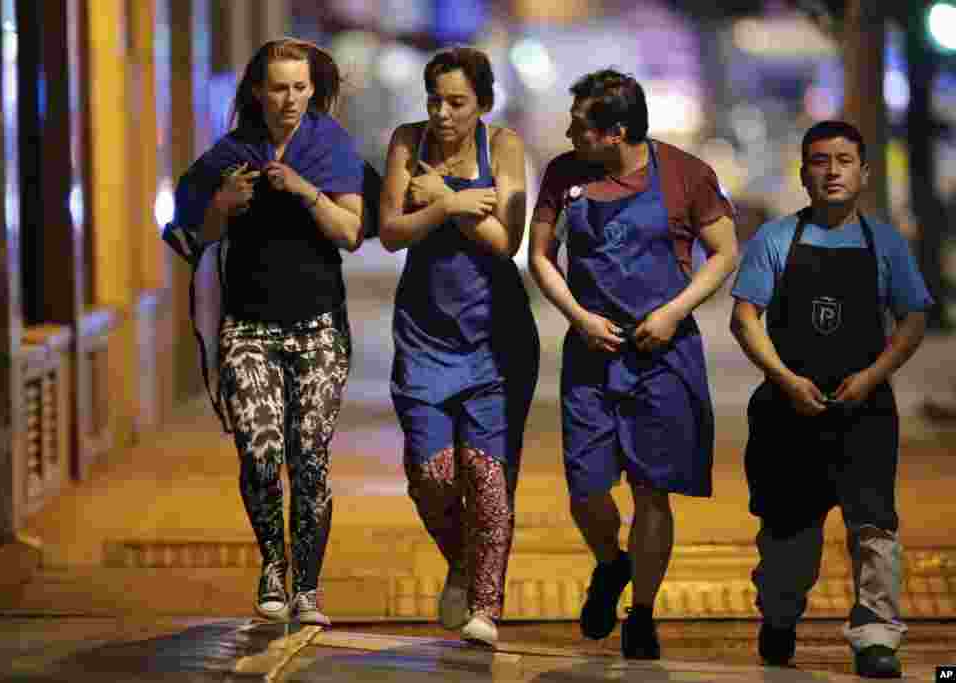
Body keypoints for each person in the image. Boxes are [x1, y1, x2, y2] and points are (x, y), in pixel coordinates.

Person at [528, 69, 738, 658]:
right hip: (591, 353)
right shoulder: (563, 174)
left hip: (661, 355)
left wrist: (674, 312)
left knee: (652, 491)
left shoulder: (686, 175)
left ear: (616, 132)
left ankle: (642, 612)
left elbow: (725, 253)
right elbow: (540, 256)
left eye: (580, 123)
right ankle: (610, 562)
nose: (569, 131)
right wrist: (578, 317)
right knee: (586, 490)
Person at [164, 38, 366, 627]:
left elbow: (351, 232)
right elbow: (187, 237)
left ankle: (308, 586)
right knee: (260, 452)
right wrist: (221, 206)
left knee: (309, 459)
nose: (291, 99)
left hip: (319, 327)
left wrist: (304, 191)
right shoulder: (229, 153)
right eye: (280, 87)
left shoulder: (331, 146)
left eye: (301, 87)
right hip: (248, 326)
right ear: (258, 90)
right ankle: (272, 567)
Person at [730, 121, 934, 678]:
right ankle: (778, 618)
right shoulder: (775, 239)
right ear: (803, 173)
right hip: (786, 416)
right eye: (820, 161)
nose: (832, 171)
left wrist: (873, 376)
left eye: (844, 160)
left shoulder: (886, 243)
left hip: (864, 413)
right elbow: (744, 318)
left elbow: (915, 318)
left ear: (864, 173)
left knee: (873, 527)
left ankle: (876, 638)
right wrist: (784, 379)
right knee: (788, 534)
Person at [379, 46, 540, 647]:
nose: (443, 114)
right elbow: (391, 231)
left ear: (483, 104)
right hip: (423, 335)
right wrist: (451, 202)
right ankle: (464, 561)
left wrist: (438, 193)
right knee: (432, 475)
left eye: (457, 102)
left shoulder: (504, 147)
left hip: (495, 338)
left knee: (488, 476)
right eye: (435, 101)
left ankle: (485, 609)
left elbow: (505, 239)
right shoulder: (406, 140)